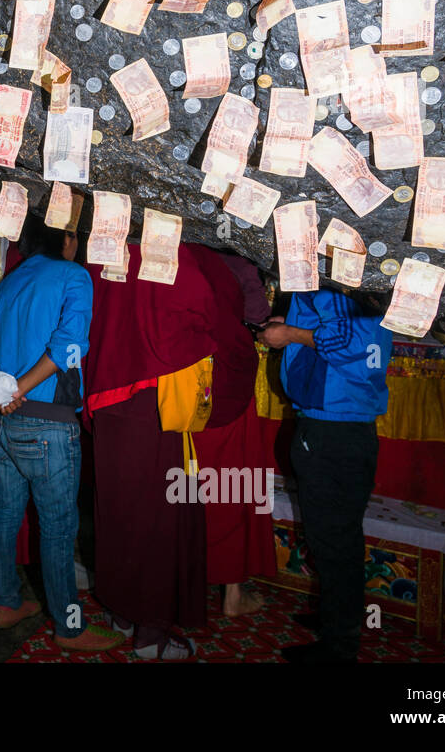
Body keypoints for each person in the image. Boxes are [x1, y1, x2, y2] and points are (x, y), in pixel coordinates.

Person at [0, 220, 121, 651]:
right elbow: (70, 347)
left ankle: (7, 603)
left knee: (5, 514)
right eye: (76, 234)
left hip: (2, 420)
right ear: (66, 240)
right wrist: (19, 389)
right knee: (58, 529)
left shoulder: (6, 284)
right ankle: (70, 627)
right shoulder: (73, 276)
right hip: (48, 424)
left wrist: (4, 392)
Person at [83, 241, 222, 659]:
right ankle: (151, 634)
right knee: (159, 517)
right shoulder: (174, 252)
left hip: (107, 399)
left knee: (118, 508)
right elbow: (206, 316)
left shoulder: (104, 245)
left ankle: (121, 612)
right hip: (154, 402)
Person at [259, 288, 394, 663]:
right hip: (351, 429)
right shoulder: (370, 298)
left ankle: (339, 646)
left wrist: (289, 336)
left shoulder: (333, 291)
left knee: (333, 539)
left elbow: (344, 341)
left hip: (330, 431)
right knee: (339, 534)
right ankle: (336, 618)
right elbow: (348, 337)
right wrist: (293, 326)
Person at [188, 246, 276, 617]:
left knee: (185, 486)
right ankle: (232, 595)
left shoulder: (176, 252)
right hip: (228, 387)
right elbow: (259, 319)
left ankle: (184, 581)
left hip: (181, 390)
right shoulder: (238, 263)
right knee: (233, 485)